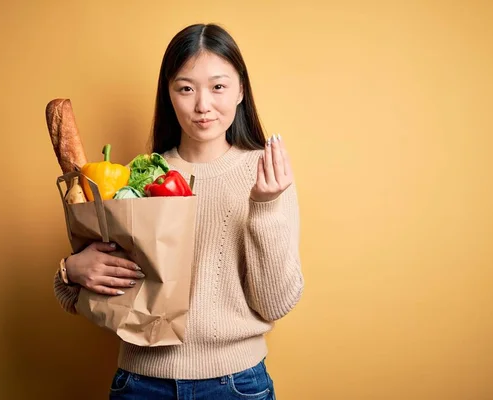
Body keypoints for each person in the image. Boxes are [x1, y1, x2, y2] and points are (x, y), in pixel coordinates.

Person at [53, 23, 304, 400]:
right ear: (169, 94)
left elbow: (275, 303)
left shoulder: (266, 172)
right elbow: (88, 294)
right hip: (139, 383)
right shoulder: (136, 176)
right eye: (186, 88)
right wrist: (70, 271)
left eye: (218, 86)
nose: (203, 105)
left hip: (235, 385)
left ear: (240, 91)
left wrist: (264, 208)